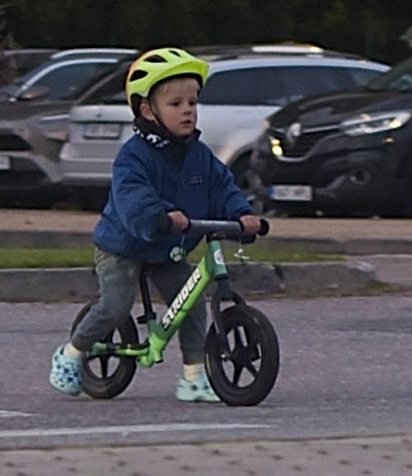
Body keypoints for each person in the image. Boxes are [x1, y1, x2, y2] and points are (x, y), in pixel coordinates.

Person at [49, 48, 261, 402]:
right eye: (176, 103)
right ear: (149, 111)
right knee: (115, 306)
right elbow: (134, 197)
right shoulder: (133, 157)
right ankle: (71, 353)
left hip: (168, 248)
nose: (188, 110)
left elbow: (222, 186)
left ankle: (194, 376)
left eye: (192, 102)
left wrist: (242, 213)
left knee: (191, 301)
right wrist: (160, 214)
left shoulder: (199, 155)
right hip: (124, 245)